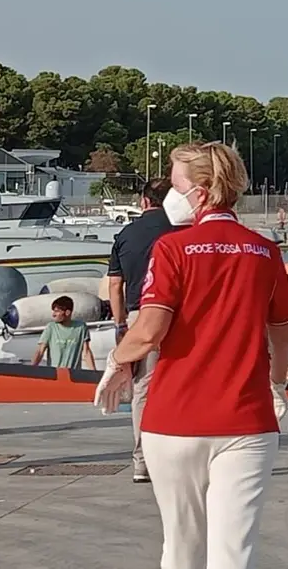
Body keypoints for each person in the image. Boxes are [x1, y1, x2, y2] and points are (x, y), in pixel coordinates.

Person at [93, 141, 288, 569]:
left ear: (200, 192)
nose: (170, 191)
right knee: (233, 552)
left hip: (174, 419)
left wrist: (117, 363)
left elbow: (150, 330)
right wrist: (276, 383)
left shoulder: (172, 249)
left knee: (180, 547)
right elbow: (281, 334)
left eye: (175, 182)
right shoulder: (266, 252)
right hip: (248, 419)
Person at [107, 176, 179, 483]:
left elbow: (114, 285)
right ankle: (179, 458)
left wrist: (121, 322)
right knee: (182, 383)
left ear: (144, 201)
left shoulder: (126, 234)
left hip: (141, 314)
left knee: (142, 389)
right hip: (180, 315)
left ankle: (141, 461)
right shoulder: (181, 231)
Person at [31, 296, 95, 370]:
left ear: (67, 312)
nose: (53, 315)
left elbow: (86, 352)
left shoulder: (81, 327)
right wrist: (31, 370)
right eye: (53, 311)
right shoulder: (51, 327)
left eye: (57, 311)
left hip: (73, 376)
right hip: (55, 376)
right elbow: (40, 351)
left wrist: (94, 373)